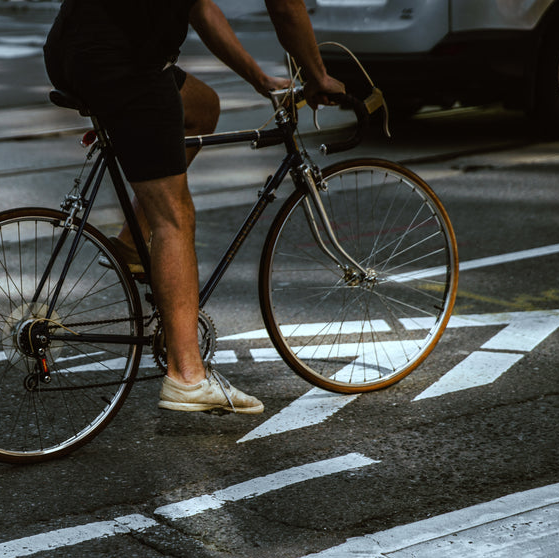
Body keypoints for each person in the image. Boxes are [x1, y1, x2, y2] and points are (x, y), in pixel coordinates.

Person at [44, 0, 345, 414]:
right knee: (175, 217)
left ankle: (132, 245)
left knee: (202, 108)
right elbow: (286, 7)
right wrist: (318, 75)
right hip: (125, 61)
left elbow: (200, 7)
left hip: (72, 48)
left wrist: (260, 80)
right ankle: (187, 376)